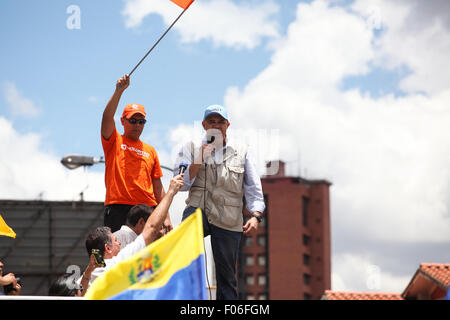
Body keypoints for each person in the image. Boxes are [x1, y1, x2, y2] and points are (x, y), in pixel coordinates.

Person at [174, 104, 265, 300]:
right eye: (211, 122)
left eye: (220, 122)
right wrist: (200, 158)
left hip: (229, 218)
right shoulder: (191, 148)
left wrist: (256, 216)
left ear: (227, 125)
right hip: (199, 210)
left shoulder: (242, 151)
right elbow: (181, 185)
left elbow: (253, 188)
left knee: (226, 277)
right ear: (204, 125)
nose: (216, 125)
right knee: (183, 256)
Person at [80, 174, 184, 288]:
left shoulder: (89, 277)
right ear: (108, 248)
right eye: (115, 240)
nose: (119, 242)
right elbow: (151, 228)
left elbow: (78, 294)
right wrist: (170, 192)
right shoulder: (116, 263)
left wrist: (88, 272)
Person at [101, 74, 172, 233]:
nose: (137, 125)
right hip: (119, 207)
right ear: (123, 121)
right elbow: (106, 117)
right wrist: (119, 91)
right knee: (119, 254)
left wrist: (166, 215)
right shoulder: (114, 141)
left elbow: (158, 187)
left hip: (147, 209)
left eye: (141, 121)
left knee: (147, 256)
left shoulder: (150, 150)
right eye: (133, 121)